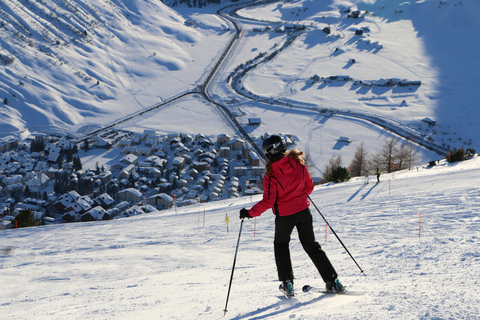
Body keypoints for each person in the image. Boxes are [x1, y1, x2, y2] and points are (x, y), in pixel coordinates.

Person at [239, 135, 344, 297]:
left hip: (285, 217)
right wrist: (298, 196)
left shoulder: (271, 174)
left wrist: (249, 213)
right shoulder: (298, 163)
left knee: (281, 246)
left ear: (268, 153)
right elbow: (309, 187)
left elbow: (268, 201)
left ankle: (287, 283)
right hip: (303, 212)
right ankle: (333, 280)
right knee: (312, 246)